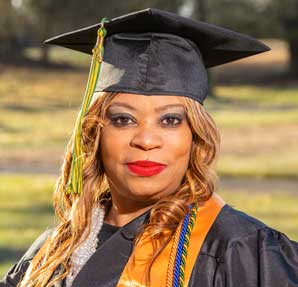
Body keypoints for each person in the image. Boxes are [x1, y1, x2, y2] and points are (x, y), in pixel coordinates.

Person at [1, 7, 298, 287]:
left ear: (195, 136)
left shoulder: (242, 251)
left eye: (170, 120)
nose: (146, 140)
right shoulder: (52, 249)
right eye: (123, 119)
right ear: (94, 134)